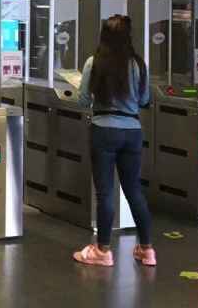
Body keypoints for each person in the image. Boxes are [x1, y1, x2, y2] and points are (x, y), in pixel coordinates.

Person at [73, 15, 156, 267]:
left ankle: (103, 250)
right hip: (132, 131)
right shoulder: (139, 65)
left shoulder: (93, 62)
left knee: (106, 192)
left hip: (104, 130)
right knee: (134, 191)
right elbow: (144, 100)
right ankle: (147, 250)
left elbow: (83, 100)